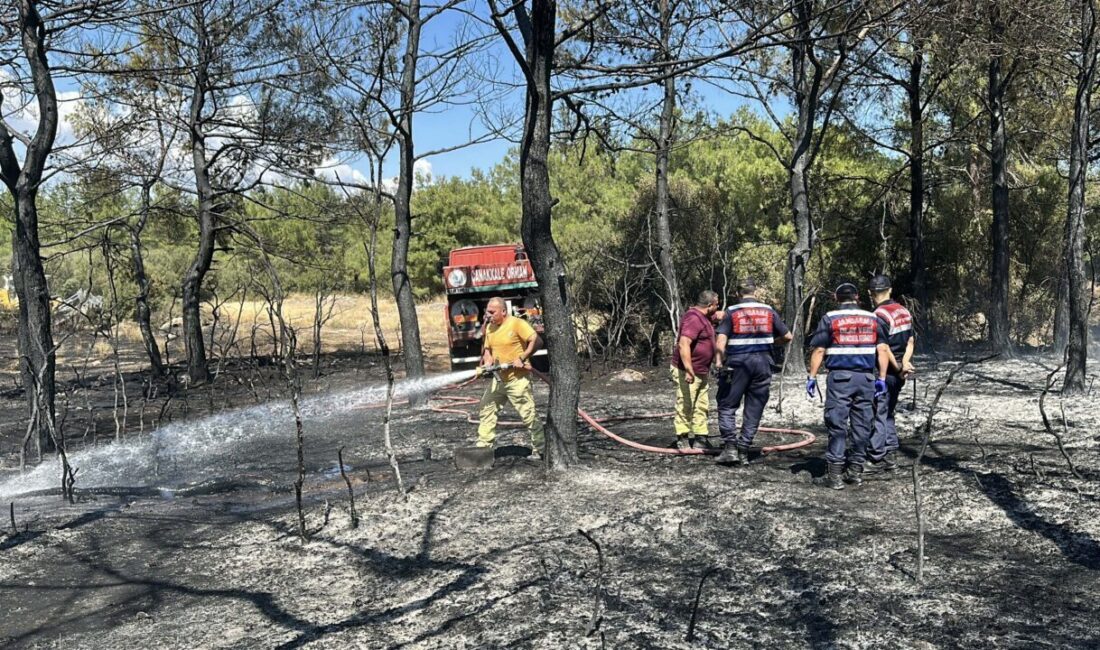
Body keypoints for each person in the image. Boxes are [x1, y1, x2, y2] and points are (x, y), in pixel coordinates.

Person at [806, 282, 890, 489]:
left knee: (837, 424)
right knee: (862, 424)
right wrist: (881, 377)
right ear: (858, 297)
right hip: (866, 380)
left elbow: (818, 351)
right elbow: (883, 350)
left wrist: (812, 377)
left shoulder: (830, 319)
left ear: (836, 297)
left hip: (840, 379)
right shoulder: (874, 319)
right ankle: (855, 471)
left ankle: (834, 475)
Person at [714, 277, 792, 465]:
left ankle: (731, 448)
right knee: (754, 407)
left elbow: (721, 339)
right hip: (763, 363)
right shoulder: (768, 310)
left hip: (738, 364)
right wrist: (771, 343)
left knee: (727, 404)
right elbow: (788, 336)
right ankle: (744, 449)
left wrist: (718, 361)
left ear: (737, 293)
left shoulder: (732, 311)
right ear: (755, 292)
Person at [476, 297, 545, 458]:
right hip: (499, 380)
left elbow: (536, 340)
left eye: (492, 312)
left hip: (517, 380)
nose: (488, 315)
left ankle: (541, 449)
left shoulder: (516, 323)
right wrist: (488, 362)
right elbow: (487, 350)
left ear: (503, 311)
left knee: (528, 414)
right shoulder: (491, 328)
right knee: (486, 408)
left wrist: (522, 357)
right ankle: (483, 448)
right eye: (487, 311)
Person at [867, 274, 915, 472]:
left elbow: (883, 349)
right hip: (900, 372)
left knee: (878, 412)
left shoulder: (879, 315)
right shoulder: (904, 311)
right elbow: (910, 342)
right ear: (890, 290)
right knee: (887, 413)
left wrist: (895, 368)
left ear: (871, 294)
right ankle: (891, 454)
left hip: (885, 371)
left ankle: (876, 456)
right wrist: (905, 363)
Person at [670, 290, 721, 450]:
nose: (718, 306)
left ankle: (701, 436)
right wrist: (689, 370)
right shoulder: (693, 319)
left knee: (701, 404)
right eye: (716, 303)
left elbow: (720, 315)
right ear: (709, 305)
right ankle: (683, 437)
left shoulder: (705, 316)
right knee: (686, 402)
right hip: (688, 370)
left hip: (702, 370)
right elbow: (684, 343)